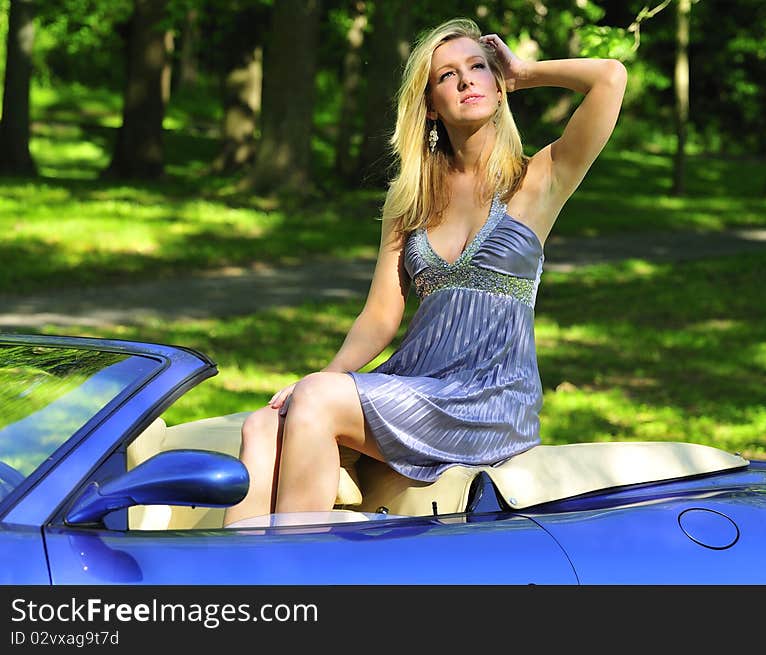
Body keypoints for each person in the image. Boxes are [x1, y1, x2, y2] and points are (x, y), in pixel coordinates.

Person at [222, 17, 626, 525]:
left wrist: (522, 72)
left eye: (478, 68)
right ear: (431, 106)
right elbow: (379, 316)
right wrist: (321, 378)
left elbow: (611, 76)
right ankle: (240, 585)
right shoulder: (410, 197)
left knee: (317, 402)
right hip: (418, 383)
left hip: (490, 397)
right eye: (447, 75)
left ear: (498, 86)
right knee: (263, 426)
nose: (466, 81)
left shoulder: (538, 179)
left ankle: (297, 573)